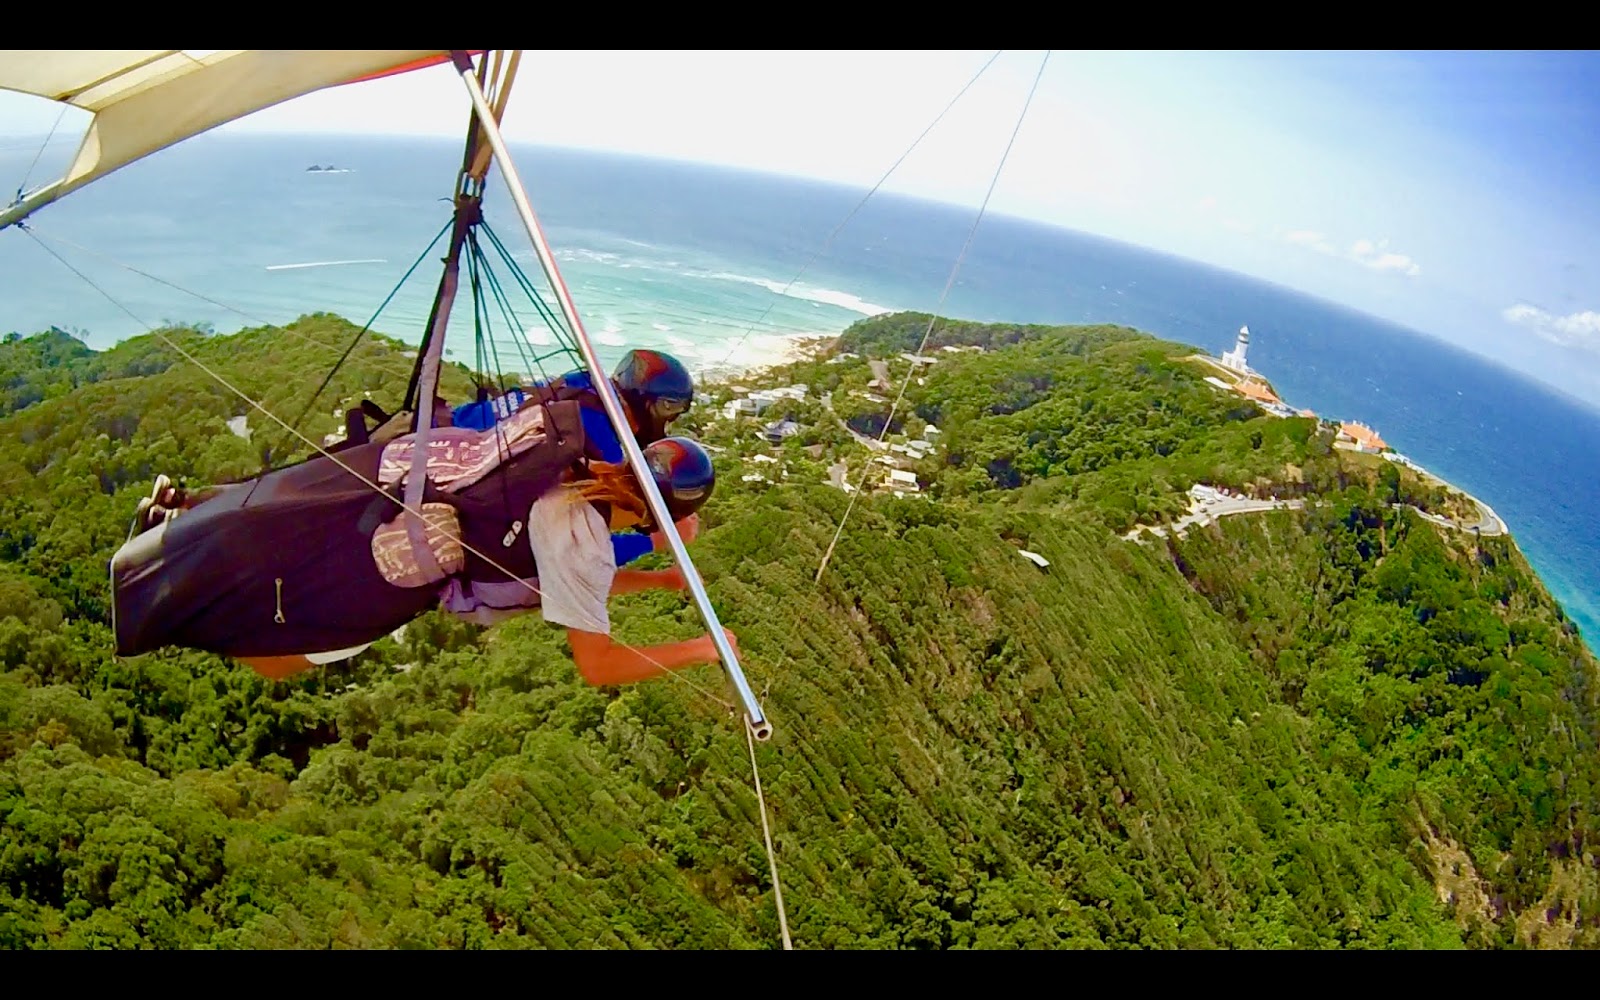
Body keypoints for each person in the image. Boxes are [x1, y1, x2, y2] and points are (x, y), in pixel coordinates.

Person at [234, 435, 730, 686]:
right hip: (405, 573)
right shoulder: (586, 543)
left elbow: (572, 584)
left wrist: (661, 580)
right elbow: (596, 666)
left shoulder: (575, 460)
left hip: (399, 501)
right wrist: (702, 649)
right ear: (659, 516)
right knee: (275, 662)